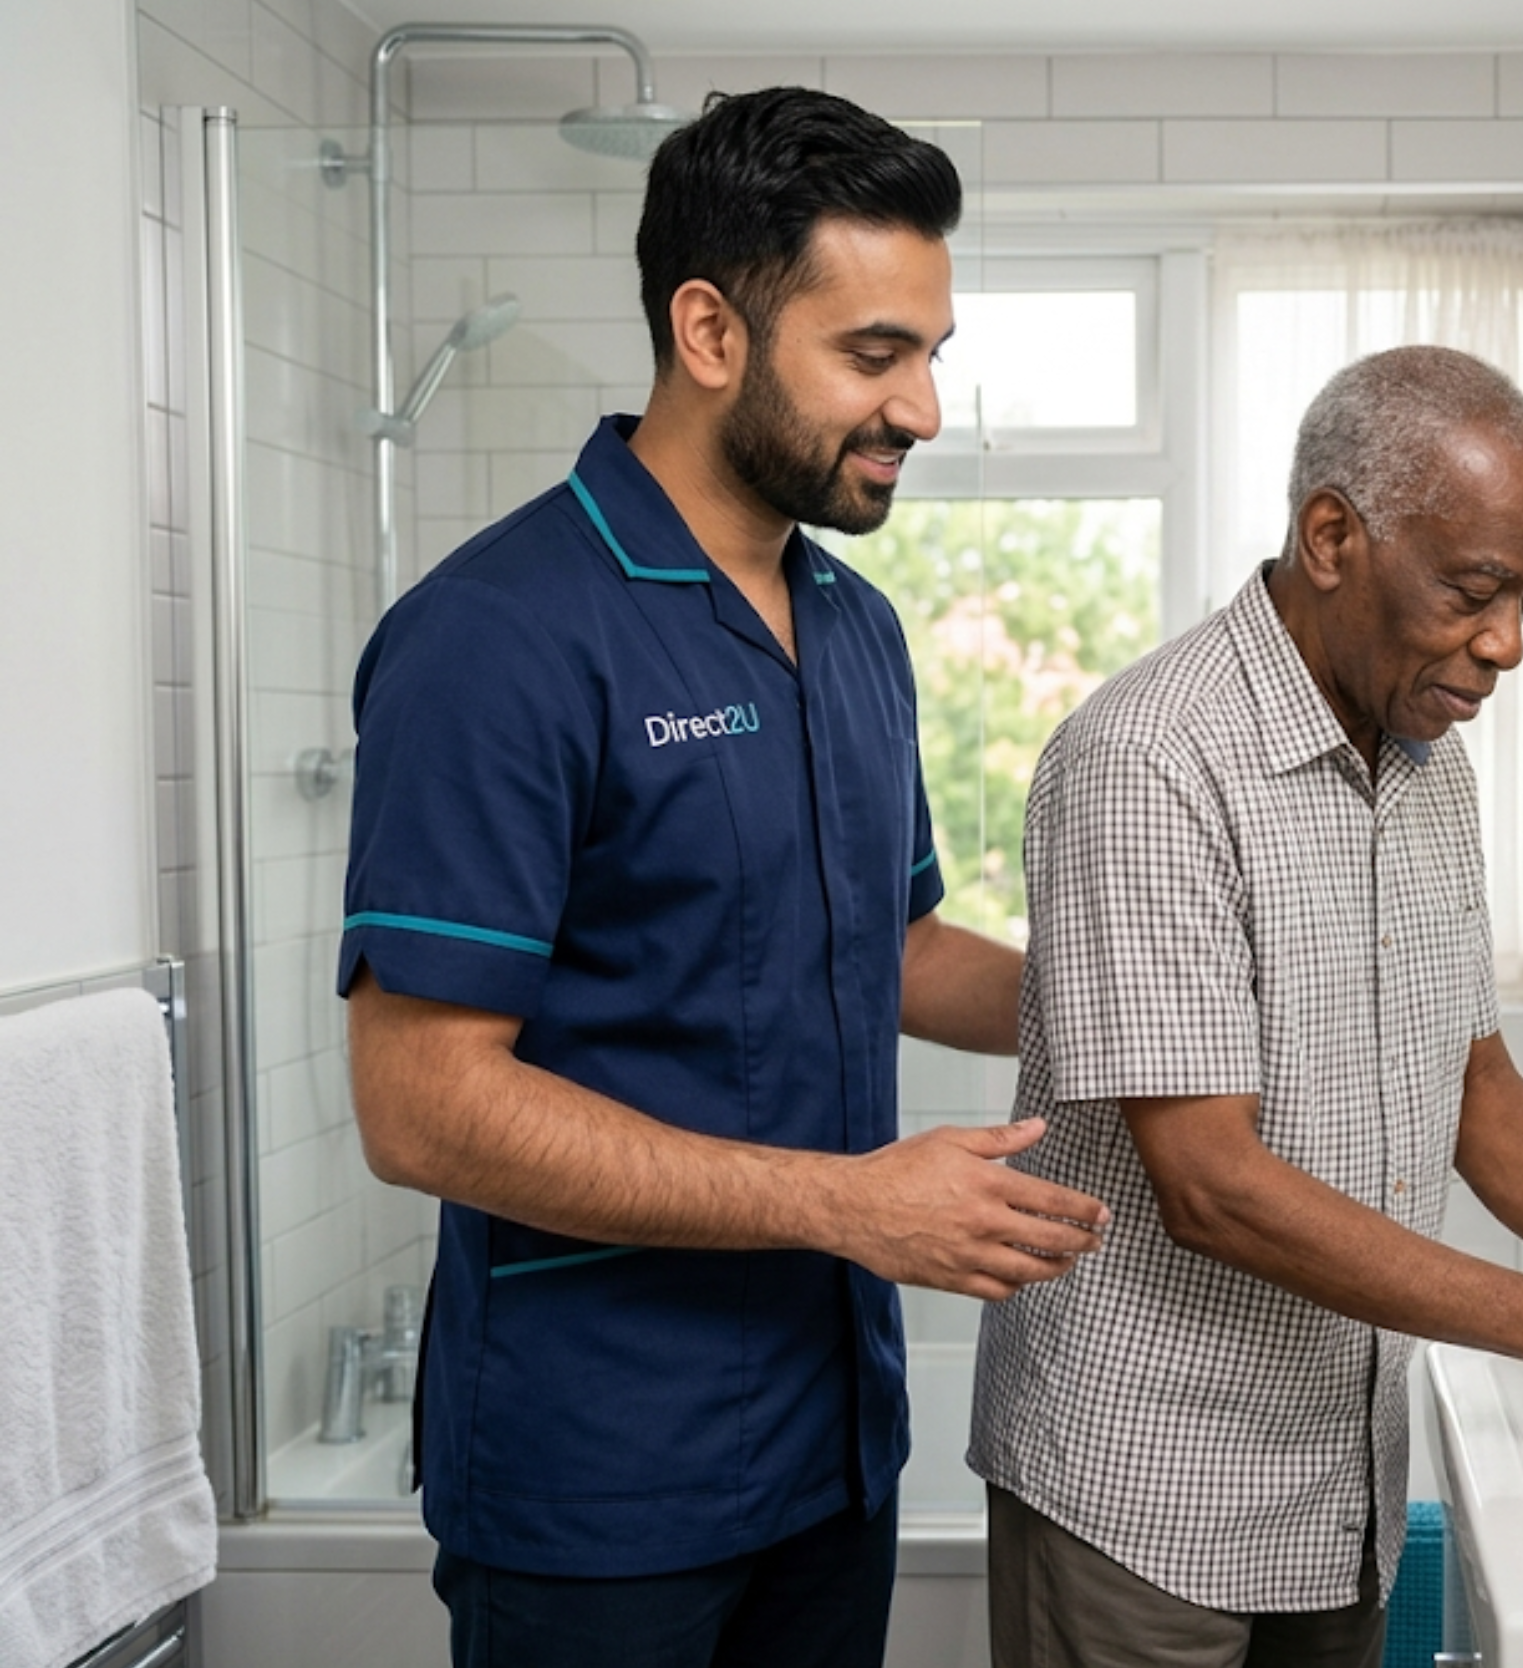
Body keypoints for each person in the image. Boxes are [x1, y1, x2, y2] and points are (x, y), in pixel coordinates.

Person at [338, 87, 1108, 1668]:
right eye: (874, 354)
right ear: (709, 331)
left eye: (932, 355)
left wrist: (1146, 1003)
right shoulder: (499, 635)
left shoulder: (858, 630)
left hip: (834, 1448)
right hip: (600, 1476)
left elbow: (892, 949)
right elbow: (420, 1108)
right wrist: (850, 1204)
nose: (921, 409)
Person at [969, 344, 1523, 1667]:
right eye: (1475, 592)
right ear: (1333, 538)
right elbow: (1211, 1184)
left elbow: (1474, 1078)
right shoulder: (1147, 759)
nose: (1508, 644)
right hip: (1145, 1485)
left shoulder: (1429, 763)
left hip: (1342, 1477)